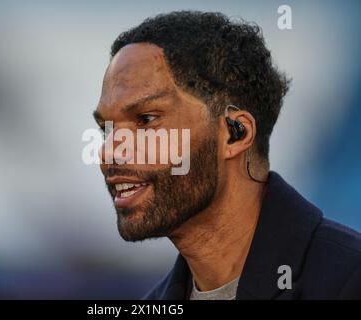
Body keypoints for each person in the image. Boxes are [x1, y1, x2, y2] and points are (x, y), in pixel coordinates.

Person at [92, 11, 361, 299]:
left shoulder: (348, 279)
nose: (109, 152)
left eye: (145, 119)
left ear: (236, 133)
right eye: (106, 129)